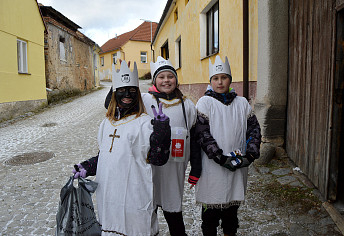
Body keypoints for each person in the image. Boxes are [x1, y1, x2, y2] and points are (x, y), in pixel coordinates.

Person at [104, 56, 201, 235]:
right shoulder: (145, 100)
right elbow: (114, 102)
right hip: (147, 168)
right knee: (148, 208)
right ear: (155, 80)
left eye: (170, 77)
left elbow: (194, 138)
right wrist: (119, 79)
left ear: (176, 80)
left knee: (173, 211)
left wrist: (196, 168)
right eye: (161, 77)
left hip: (174, 169)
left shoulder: (187, 105)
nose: (166, 80)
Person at [72, 60, 171, 236]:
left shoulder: (145, 123)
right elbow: (105, 156)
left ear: (138, 95)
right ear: (114, 94)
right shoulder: (106, 123)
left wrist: (162, 130)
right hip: (109, 195)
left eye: (132, 91)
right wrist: (86, 167)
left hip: (135, 193)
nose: (127, 94)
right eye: (122, 90)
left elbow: (158, 159)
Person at [194, 55, 261, 236]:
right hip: (212, 167)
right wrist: (220, 157)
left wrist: (250, 155)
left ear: (230, 79)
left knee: (231, 214)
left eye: (224, 77)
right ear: (211, 81)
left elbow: (253, 129)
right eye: (215, 78)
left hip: (237, 165)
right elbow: (202, 133)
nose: (220, 82)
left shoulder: (242, 103)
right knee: (210, 215)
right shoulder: (205, 103)